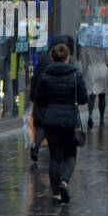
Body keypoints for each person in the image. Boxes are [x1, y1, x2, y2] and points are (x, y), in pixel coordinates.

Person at [34, 41, 88, 204]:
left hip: (51, 119)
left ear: (52, 57)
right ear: (68, 57)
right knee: (70, 155)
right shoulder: (75, 74)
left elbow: (40, 99)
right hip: (69, 120)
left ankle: (56, 193)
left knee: (55, 156)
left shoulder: (45, 75)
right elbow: (84, 98)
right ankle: (64, 181)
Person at [29, 33, 73, 162]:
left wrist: (33, 98)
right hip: (59, 100)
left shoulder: (43, 58)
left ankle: (35, 144)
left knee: (41, 126)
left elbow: (35, 79)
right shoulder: (67, 60)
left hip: (42, 97)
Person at [77, 39, 108, 129]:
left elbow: (84, 62)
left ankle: (90, 115)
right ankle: (102, 118)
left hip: (91, 70)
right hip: (103, 70)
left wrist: (84, 72)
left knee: (92, 94)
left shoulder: (86, 48)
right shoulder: (104, 47)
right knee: (102, 95)